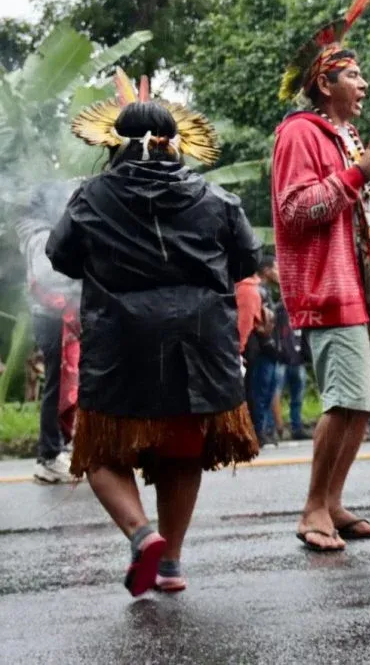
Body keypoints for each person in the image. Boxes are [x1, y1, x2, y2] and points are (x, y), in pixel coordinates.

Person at [46, 76, 261, 596]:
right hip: (198, 349)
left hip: (120, 346)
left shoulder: (90, 196)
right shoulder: (215, 197)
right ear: (175, 143)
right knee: (182, 453)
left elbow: (60, 256)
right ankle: (170, 564)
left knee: (99, 455)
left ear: (114, 143)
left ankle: (143, 535)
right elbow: (248, 259)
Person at [273, 0, 370, 552]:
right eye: (353, 75)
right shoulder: (299, 134)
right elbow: (296, 210)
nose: (364, 84)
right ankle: (312, 508)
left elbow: (353, 216)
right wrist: (358, 177)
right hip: (328, 288)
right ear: (324, 83)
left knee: (363, 405)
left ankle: (333, 502)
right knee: (344, 400)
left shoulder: (351, 136)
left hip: (366, 286)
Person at [16, 180, 82, 484]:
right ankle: (49, 456)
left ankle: (61, 449)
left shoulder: (43, 232)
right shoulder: (41, 236)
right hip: (53, 317)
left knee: (66, 385)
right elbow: (49, 279)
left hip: (57, 317)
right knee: (57, 386)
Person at [245, 256, 280, 446]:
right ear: (266, 270)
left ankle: (263, 429)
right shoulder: (257, 290)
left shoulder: (265, 290)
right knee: (259, 392)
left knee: (266, 392)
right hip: (261, 348)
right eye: (275, 268)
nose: (278, 272)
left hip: (268, 348)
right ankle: (258, 431)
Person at [274, 294, 310, 441]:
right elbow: (277, 335)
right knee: (275, 395)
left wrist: (306, 355)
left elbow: (304, 335)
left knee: (297, 398)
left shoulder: (301, 310)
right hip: (282, 360)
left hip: (297, 359)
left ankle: (296, 427)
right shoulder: (278, 311)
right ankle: (276, 428)